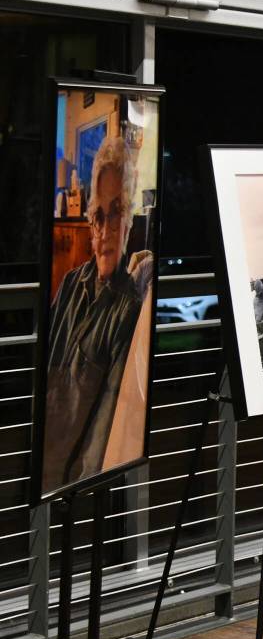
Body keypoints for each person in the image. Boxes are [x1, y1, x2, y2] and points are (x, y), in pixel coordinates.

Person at [42, 135, 144, 493]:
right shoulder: (70, 283)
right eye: (99, 216)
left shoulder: (128, 309)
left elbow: (101, 436)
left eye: (116, 213)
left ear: (129, 221)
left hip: (68, 485)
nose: (106, 231)